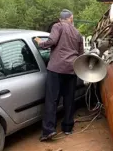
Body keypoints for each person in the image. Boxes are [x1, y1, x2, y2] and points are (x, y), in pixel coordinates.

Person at [34, 9, 84, 141]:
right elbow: (81, 55)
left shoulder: (58, 26)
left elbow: (52, 41)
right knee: (69, 100)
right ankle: (67, 128)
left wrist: (40, 43)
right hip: (72, 70)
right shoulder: (78, 33)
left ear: (60, 18)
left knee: (52, 100)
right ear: (71, 18)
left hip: (56, 69)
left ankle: (48, 131)